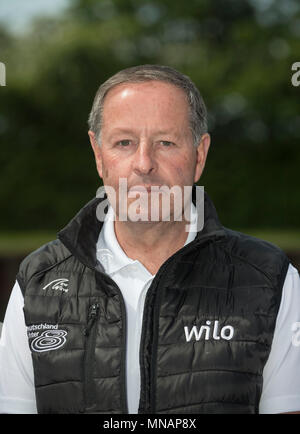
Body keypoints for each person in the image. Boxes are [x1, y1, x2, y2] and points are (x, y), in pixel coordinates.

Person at [0, 64, 300, 414]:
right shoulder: (36, 281)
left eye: (166, 142)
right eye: (124, 142)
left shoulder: (272, 280)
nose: (144, 163)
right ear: (99, 155)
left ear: (199, 155)